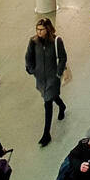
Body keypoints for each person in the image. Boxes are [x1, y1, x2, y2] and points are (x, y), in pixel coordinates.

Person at [25, 18, 67, 147]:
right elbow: (28, 56)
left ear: (47, 29)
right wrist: (31, 69)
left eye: (41, 30)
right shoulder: (33, 42)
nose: (39, 32)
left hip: (52, 77)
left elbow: (63, 57)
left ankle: (46, 133)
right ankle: (62, 105)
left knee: (47, 102)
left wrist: (58, 73)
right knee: (50, 96)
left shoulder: (56, 41)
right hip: (40, 77)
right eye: (37, 30)